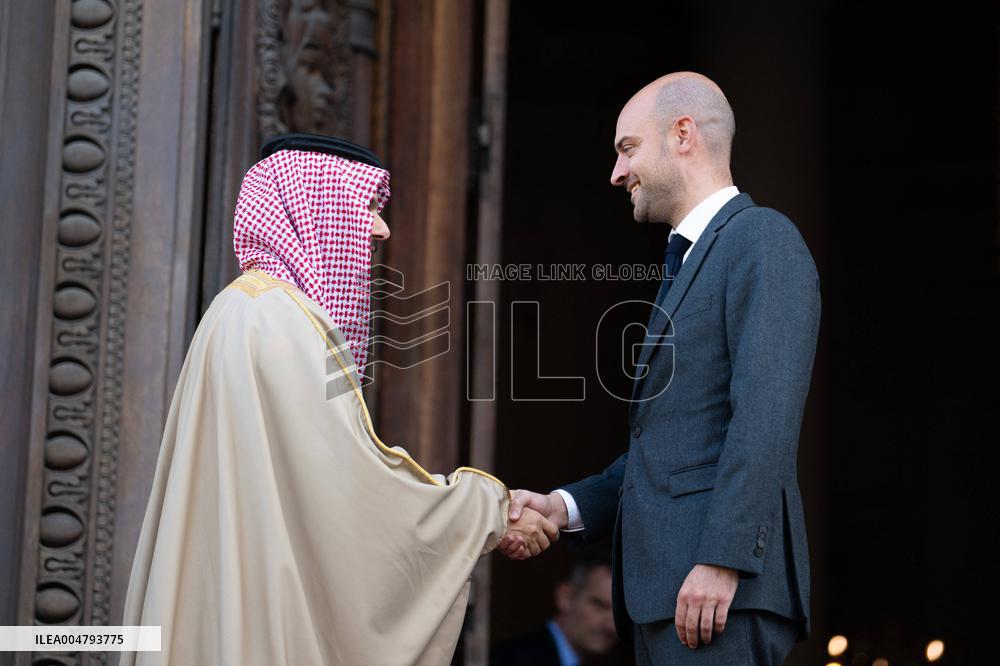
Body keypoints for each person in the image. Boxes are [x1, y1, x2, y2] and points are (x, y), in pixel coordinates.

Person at [121, 133, 558, 666]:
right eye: (367, 206)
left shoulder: (241, 309)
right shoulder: (278, 321)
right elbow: (348, 491)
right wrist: (485, 509)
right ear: (311, 208)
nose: (381, 229)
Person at [498, 72, 821, 665]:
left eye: (627, 149)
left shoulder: (762, 239)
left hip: (717, 592)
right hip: (671, 597)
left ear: (683, 134)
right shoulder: (691, 260)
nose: (617, 173)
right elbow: (670, 447)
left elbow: (765, 416)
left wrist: (724, 560)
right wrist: (564, 507)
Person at [490, 559, 618, 666]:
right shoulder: (515, 659)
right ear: (565, 597)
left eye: (618, 615)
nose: (611, 625)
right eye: (599, 605)